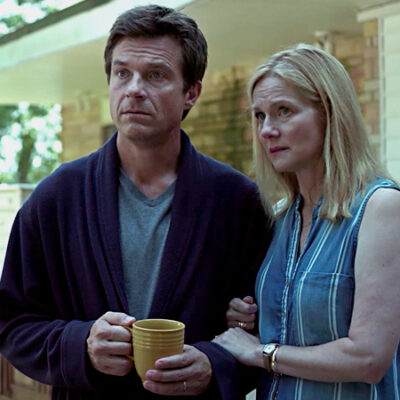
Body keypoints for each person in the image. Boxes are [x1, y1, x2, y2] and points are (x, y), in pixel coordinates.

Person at [0, 5, 271, 400]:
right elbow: (12, 324)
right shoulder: (57, 198)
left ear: (191, 93)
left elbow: (270, 328)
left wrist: (214, 363)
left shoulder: (237, 202)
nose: (134, 89)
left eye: (156, 75)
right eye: (122, 73)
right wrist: (82, 344)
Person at [215, 43, 400, 399]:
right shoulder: (280, 218)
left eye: (283, 111)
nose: (267, 130)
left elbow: (368, 358)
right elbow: (289, 327)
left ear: (329, 114)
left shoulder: (380, 208)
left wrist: (263, 353)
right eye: (260, 116)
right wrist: (246, 320)